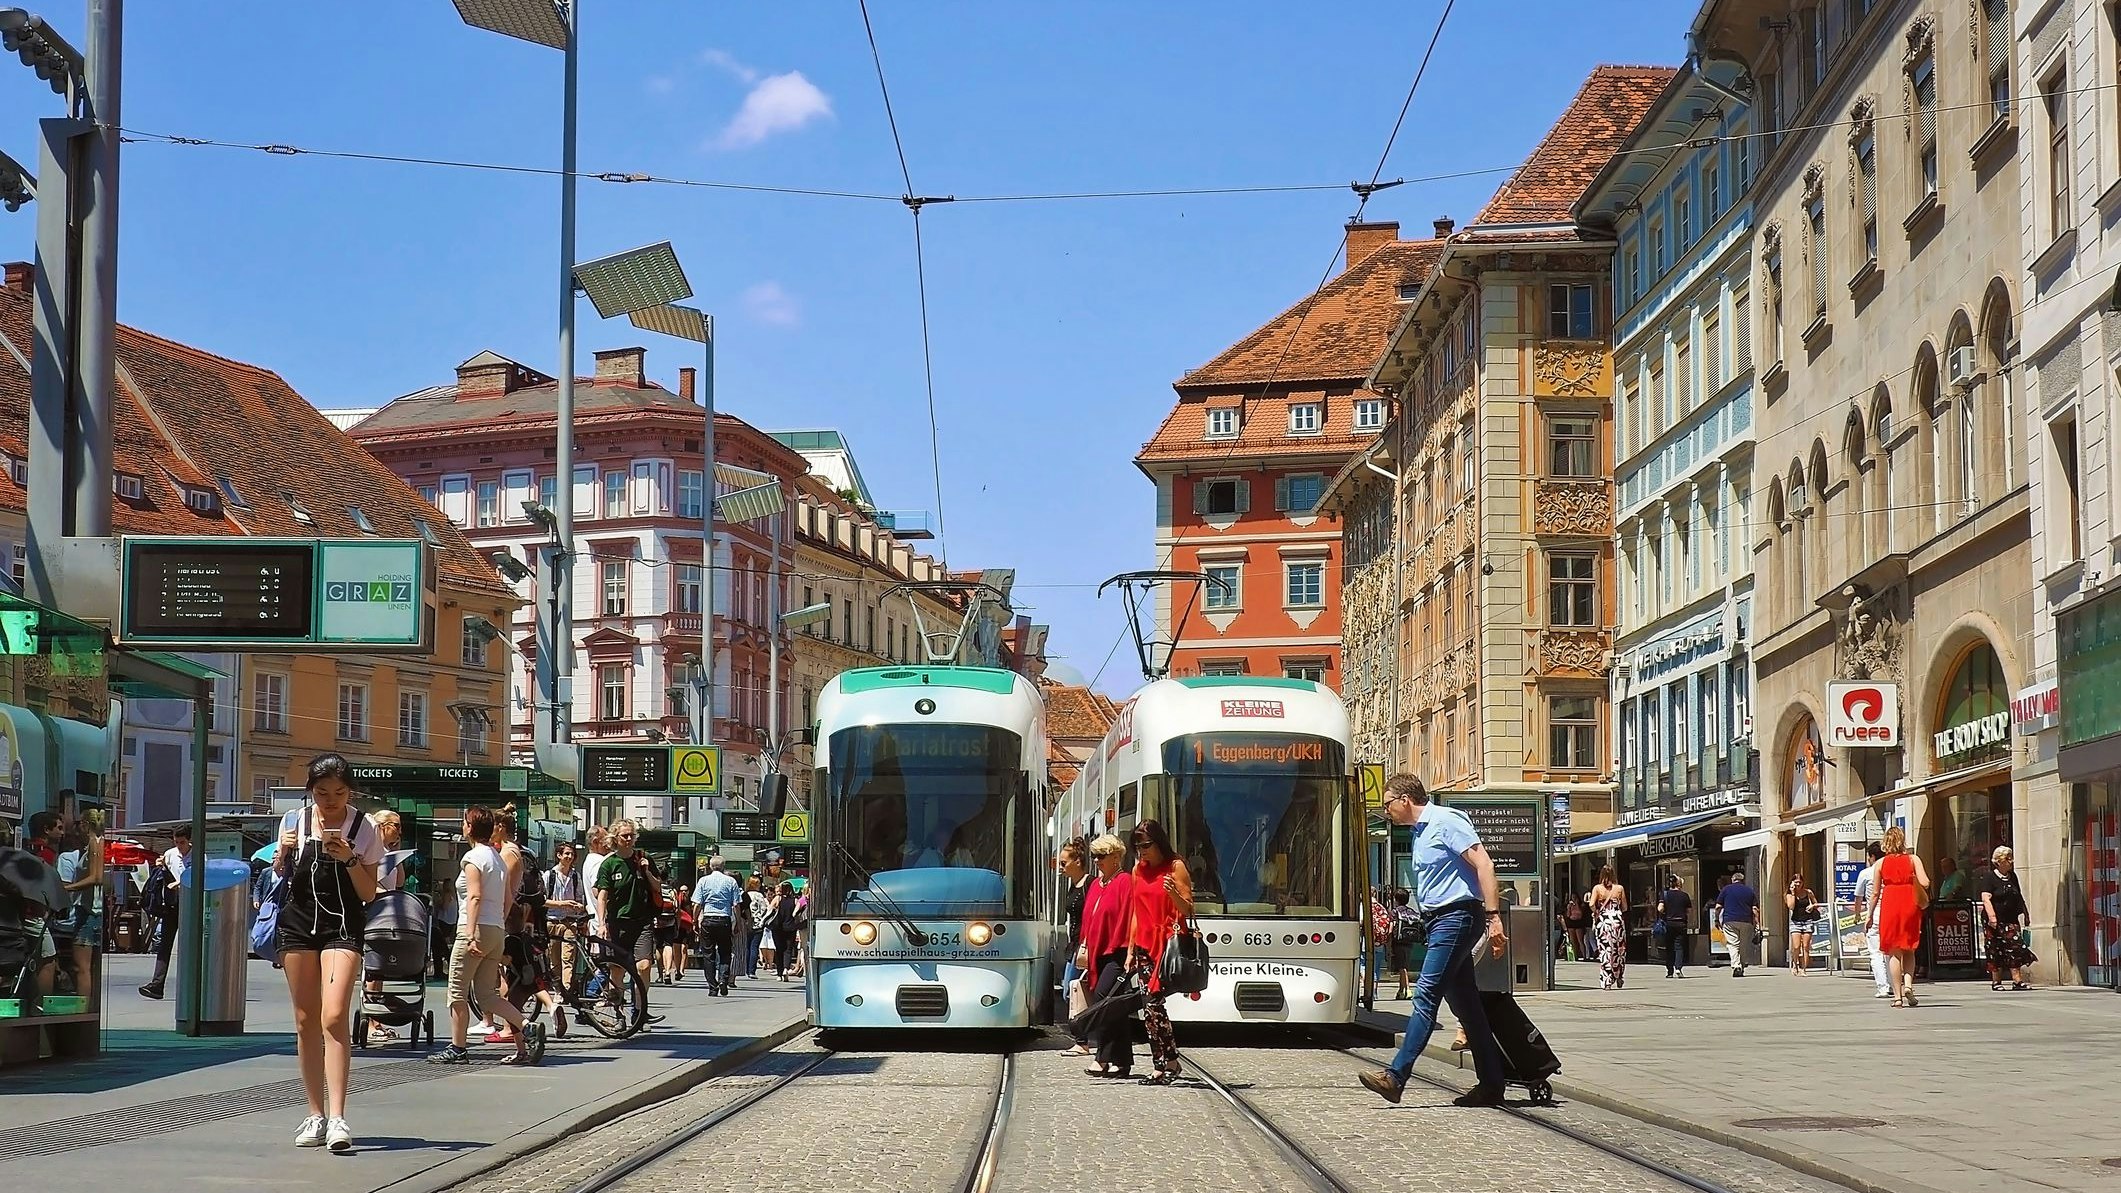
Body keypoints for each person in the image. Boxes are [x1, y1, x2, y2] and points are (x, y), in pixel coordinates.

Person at [1358, 773, 1509, 1107]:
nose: (1387, 811)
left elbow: (1484, 863)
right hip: (1439, 921)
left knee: (1425, 994)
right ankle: (1492, 1083)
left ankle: (1395, 1077)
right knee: (1467, 1006)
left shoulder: (1446, 820)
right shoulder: (1420, 832)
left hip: (1457, 917)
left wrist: (1493, 916)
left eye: (1387, 804)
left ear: (1404, 800)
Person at [275, 753, 389, 1151]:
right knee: (306, 1020)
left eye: (339, 793)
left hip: (342, 924)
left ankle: (339, 1116)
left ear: (350, 791)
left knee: (335, 1014)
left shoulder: (364, 826)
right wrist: (282, 856)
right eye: (321, 792)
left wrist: (351, 857)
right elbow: (281, 877)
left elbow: (370, 892)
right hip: (298, 922)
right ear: (310, 791)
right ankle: (314, 1114)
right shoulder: (294, 821)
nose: (330, 800)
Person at [429, 806, 541, 1066]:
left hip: (475, 927)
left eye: (465, 822)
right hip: (495, 929)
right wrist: (498, 923)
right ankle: (527, 1026)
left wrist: (469, 933)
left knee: (456, 991)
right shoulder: (497, 857)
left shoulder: (472, 858)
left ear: (469, 827)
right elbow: (508, 897)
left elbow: (475, 895)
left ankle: (458, 1048)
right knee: (487, 994)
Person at [1124, 818, 1194, 1086]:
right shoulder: (1137, 871)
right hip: (1143, 944)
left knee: (1154, 1004)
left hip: (1167, 945)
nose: (1142, 851)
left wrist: (1173, 893)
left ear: (1159, 842)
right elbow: (1135, 913)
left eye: (1146, 845)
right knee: (1149, 1008)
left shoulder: (1175, 866)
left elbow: (1188, 909)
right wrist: (1130, 949)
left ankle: (1167, 1062)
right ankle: (1164, 1062)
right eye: (1137, 846)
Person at [1071, 834, 1136, 1073]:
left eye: (1101, 856)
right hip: (1097, 952)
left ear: (1116, 857)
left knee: (1103, 1000)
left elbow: (1128, 917)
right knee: (1114, 1005)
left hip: (1117, 950)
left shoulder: (1124, 881)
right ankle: (1123, 1061)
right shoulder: (1097, 885)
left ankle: (1102, 1058)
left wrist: (1130, 951)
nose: (1096, 860)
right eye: (1094, 856)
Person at [594, 820, 659, 998]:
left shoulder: (643, 858)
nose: (629, 838)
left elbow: (658, 887)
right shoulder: (609, 864)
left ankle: (639, 1010)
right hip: (617, 922)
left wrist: (646, 872)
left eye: (632, 835)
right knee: (617, 970)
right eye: (625, 835)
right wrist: (601, 923)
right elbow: (601, 895)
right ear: (616, 838)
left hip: (642, 922)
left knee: (644, 966)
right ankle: (618, 1012)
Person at [1874, 826, 1930, 1008]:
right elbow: (1926, 883)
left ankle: (1897, 996)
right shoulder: (1913, 859)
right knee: (1909, 948)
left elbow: (1875, 893)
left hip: (1890, 904)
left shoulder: (1880, 864)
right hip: (1909, 904)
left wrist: (1868, 916)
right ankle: (1909, 985)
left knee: (1893, 952)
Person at [138, 824, 190, 1000]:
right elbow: (164, 875)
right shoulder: (170, 854)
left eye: (182, 843)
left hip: (189, 906)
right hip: (171, 905)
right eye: (176, 842)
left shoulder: (199, 857)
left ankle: (192, 985)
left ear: (189, 841)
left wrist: (180, 883)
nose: (179, 846)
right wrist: (161, 866)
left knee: (190, 948)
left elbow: (198, 878)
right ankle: (156, 984)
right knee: (164, 945)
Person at [55, 822, 103, 1001]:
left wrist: (69, 888)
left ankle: (84, 1008)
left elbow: (96, 877)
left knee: (82, 967)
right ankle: (90, 1004)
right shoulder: (94, 845)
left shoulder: (95, 844)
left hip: (88, 911)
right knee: (90, 966)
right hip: (93, 910)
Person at [1980, 845, 2035, 990]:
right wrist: (1992, 918)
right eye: (2008, 859)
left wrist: (2026, 913)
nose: (2011, 861)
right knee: (1995, 948)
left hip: (2011, 919)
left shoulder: (2013, 876)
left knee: (2015, 947)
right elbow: (1986, 898)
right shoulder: (1990, 877)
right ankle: (1996, 982)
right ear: (1999, 861)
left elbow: (2018, 895)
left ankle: (2017, 981)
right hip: (1994, 921)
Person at [691, 856, 741, 996]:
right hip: (724, 920)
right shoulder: (731, 881)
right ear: (723, 866)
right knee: (725, 952)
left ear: (710, 866)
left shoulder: (703, 881)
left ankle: (712, 986)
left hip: (708, 919)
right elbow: (736, 904)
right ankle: (723, 980)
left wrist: (694, 920)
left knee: (708, 954)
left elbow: (697, 904)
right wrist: (737, 923)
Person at [1855, 841, 1892, 998]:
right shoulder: (1890, 870)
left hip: (1875, 913)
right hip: (1891, 912)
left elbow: (1859, 896)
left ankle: (1882, 987)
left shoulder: (1866, 873)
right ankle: (1893, 984)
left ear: (1872, 856)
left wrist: (1859, 914)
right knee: (1890, 952)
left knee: (1875, 952)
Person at [1588, 866, 1627, 991]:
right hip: (1617, 921)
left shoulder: (1597, 888)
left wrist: (1596, 912)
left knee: (1606, 950)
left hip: (1604, 921)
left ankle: (1607, 980)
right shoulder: (1619, 888)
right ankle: (1619, 975)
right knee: (1619, 950)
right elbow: (1625, 907)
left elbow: (1591, 904)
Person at [1717, 869, 1760, 977]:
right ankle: (1742, 963)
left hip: (1730, 920)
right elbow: (1755, 909)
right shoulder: (1749, 891)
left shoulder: (1726, 890)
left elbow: (1718, 907)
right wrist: (1757, 924)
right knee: (1743, 945)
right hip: (1746, 921)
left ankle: (1736, 966)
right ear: (1743, 880)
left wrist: (1717, 920)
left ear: (1733, 879)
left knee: (1733, 944)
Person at [1384, 888, 1423, 1000]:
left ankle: (1406, 989)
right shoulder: (1411, 911)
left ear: (1396, 899)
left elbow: (1391, 928)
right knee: (1404, 964)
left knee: (1402, 967)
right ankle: (1401, 989)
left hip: (1398, 941)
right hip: (1409, 941)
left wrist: (1388, 940)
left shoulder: (1395, 912)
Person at [1656, 874, 1693, 978]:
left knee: (1669, 947)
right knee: (1679, 947)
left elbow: (1660, 908)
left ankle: (1669, 971)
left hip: (1669, 923)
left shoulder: (1665, 894)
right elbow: (1689, 911)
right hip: (1681, 924)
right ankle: (1678, 968)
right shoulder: (1684, 895)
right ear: (1679, 884)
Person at [580, 827, 611, 940]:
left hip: (597, 923)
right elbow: (596, 891)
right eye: (606, 841)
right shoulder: (598, 862)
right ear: (595, 842)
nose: (609, 845)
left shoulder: (589, 860)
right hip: (603, 924)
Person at [768, 880, 800, 980]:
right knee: (788, 949)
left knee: (779, 950)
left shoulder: (778, 898)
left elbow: (769, 909)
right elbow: (797, 914)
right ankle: (786, 968)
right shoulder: (795, 900)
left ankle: (779, 973)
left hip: (778, 927)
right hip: (791, 927)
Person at [1786, 877, 1819, 975]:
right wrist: (1792, 893)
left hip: (1807, 921)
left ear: (1803, 883)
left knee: (1806, 946)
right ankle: (1795, 964)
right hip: (1795, 922)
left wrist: (1812, 906)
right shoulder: (1789, 895)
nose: (1798, 884)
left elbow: (1816, 903)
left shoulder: (1808, 892)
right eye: (1796, 882)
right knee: (1796, 946)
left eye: (1800, 882)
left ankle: (1804, 969)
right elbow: (1791, 906)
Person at [372, 811, 406, 893]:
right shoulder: (370, 850)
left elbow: (399, 882)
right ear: (382, 826)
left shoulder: (388, 851)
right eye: (397, 826)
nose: (400, 832)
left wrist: (396, 852)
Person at [748, 876, 775, 976]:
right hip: (758, 924)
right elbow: (764, 909)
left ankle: (746, 967)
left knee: (747, 946)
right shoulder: (759, 896)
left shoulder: (745, 895)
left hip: (747, 924)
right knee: (754, 947)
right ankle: (751, 970)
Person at [1562, 888, 1590, 962]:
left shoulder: (1581, 905)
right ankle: (1575, 956)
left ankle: (1584, 956)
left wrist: (1577, 905)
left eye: (1575, 897)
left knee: (1580, 940)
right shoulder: (1569, 905)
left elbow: (1580, 914)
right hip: (1571, 922)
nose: (1573, 899)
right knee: (1572, 940)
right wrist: (1569, 908)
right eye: (1572, 897)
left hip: (1578, 923)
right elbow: (1568, 915)